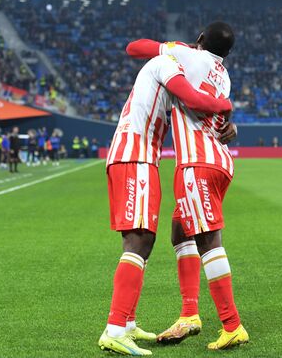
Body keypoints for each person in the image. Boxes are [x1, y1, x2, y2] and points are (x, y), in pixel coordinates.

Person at [99, 53, 233, 356]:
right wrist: (227, 107)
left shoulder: (172, 63)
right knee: (139, 239)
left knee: (150, 236)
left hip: (138, 154)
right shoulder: (168, 63)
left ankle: (128, 323)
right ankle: (116, 328)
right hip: (136, 154)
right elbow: (194, 99)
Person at [126, 21, 248, 350]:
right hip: (219, 160)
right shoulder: (224, 76)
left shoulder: (187, 56)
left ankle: (232, 324)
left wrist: (173, 47)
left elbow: (135, 47)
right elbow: (222, 118)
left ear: (199, 40)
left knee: (209, 239)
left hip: (197, 162)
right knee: (181, 229)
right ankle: (189, 314)